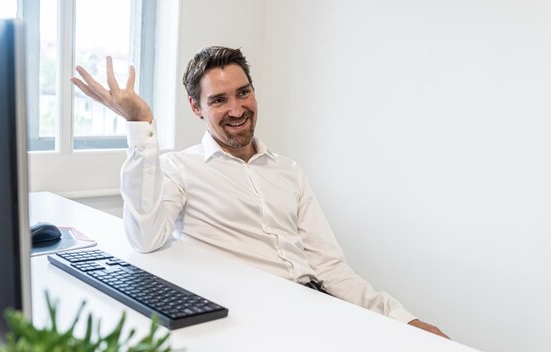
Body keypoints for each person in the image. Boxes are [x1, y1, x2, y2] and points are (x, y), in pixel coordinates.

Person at [71, 46, 449, 338]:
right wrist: (140, 126)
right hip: (251, 322)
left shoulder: (289, 172)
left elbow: (330, 267)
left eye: (243, 92)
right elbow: (144, 238)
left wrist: (402, 318)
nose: (236, 109)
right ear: (196, 107)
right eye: (218, 100)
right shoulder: (180, 169)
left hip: (320, 309)